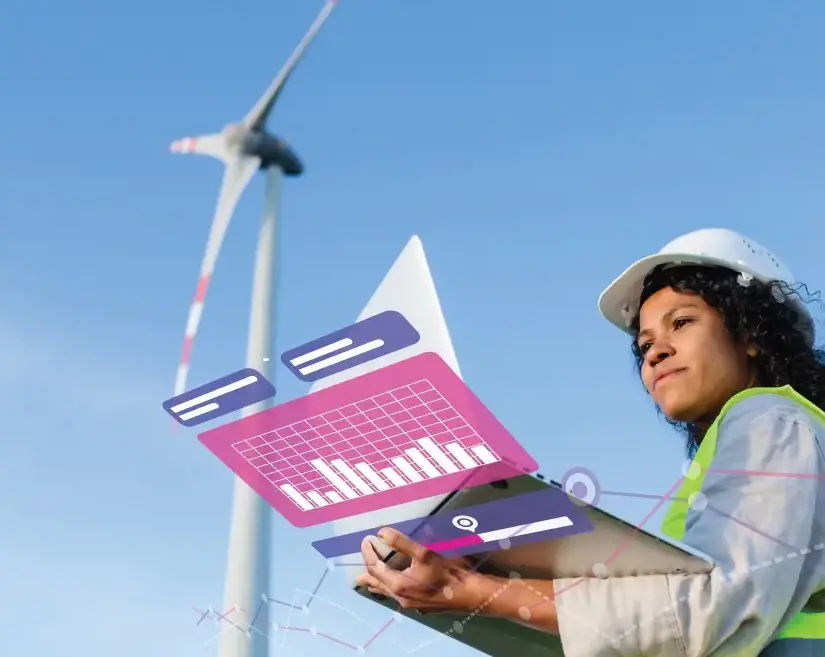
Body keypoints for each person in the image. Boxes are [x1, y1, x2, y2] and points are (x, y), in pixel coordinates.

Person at [357, 228, 825, 656]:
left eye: (682, 322)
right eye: (644, 345)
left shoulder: (771, 420)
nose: (656, 352)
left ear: (753, 334)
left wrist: (481, 593)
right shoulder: (750, 440)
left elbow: (711, 608)